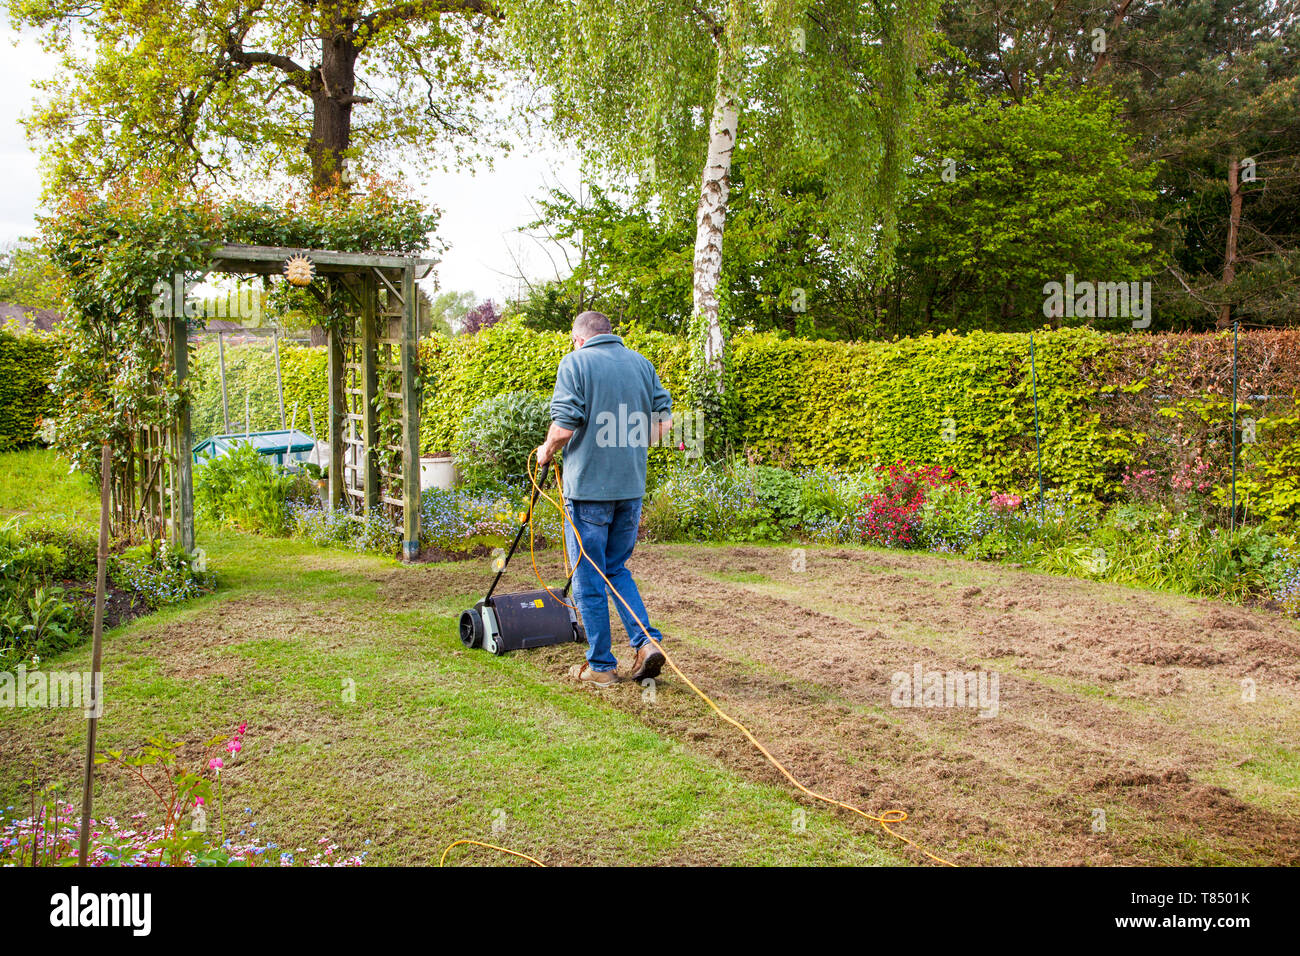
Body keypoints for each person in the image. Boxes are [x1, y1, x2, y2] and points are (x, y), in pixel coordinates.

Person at [536, 311, 673, 688]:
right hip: (630, 488)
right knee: (615, 569)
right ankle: (646, 643)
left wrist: (546, 450)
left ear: (578, 338)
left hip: (589, 493)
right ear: (609, 334)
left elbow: (564, 425)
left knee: (589, 576)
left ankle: (601, 666)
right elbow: (663, 424)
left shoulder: (575, 362)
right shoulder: (641, 364)